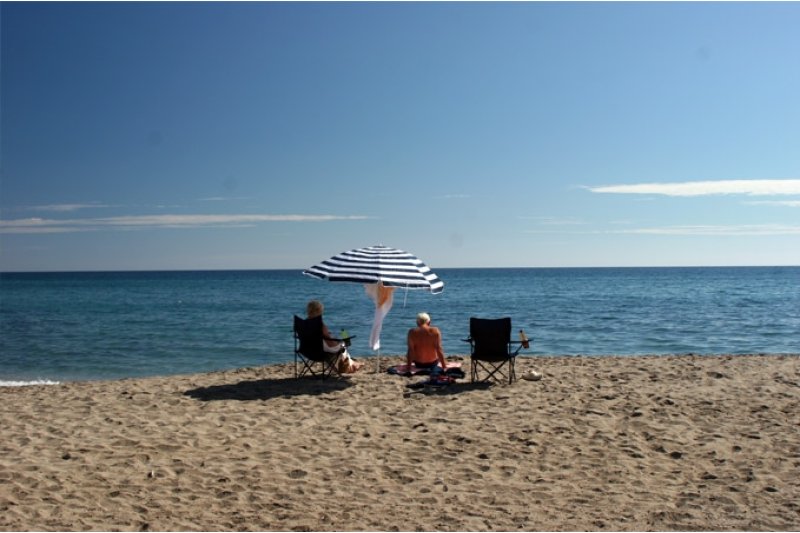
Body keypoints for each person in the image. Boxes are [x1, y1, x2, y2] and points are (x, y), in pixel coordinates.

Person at [306, 300, 361, 373]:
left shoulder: (304, 323)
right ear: (318, 311)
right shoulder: (320, 325)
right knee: (344, 343)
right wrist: (338, 342)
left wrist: (328, 335)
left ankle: (347, 363)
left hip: (310, 350)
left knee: (339, 340)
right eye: (322, 310)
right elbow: (330, 344)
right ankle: (351, 364)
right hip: (324, 350)